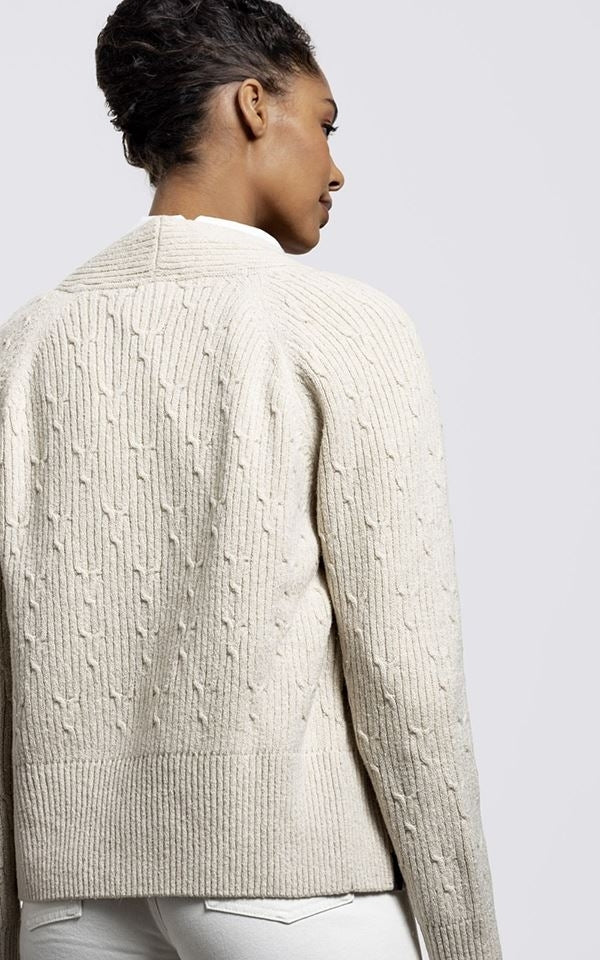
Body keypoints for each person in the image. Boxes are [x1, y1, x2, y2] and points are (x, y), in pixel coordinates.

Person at [0, 1, 503, 958]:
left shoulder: (24, 346)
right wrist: (468, 940)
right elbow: (407, 673)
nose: (337, 168)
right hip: (288, 885)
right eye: (327, 123)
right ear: (253, 104)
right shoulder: (342, 326)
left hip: (68, 901)